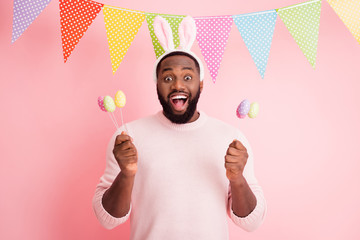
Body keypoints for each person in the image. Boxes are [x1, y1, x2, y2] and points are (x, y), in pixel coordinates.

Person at [92, 16, 266, 240]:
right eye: (167, 77)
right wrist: (126, 174)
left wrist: (238, 178)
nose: (177, 85)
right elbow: (106, 219)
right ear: (156, 84)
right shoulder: (127, 137)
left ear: (200, 83)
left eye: (187, 76)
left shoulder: (232, 139)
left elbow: (253, 222)